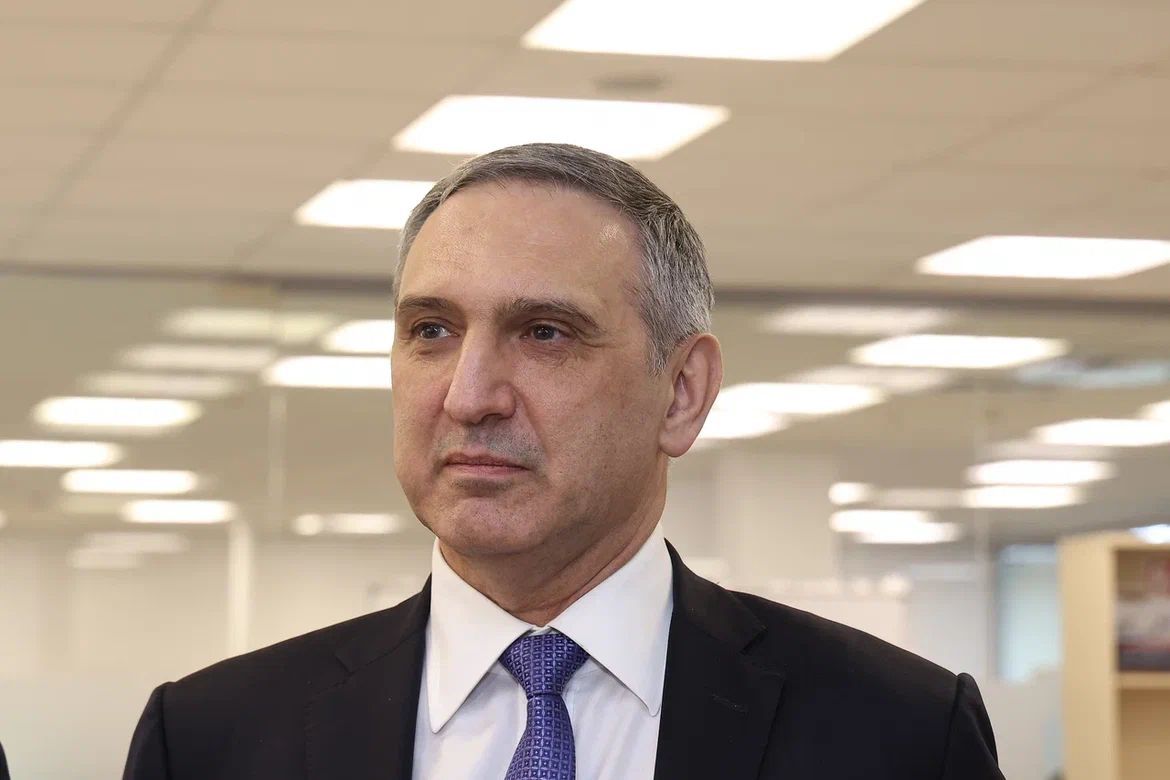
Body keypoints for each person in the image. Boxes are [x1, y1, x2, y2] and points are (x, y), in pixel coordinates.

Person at [123, 143, 1004, 779]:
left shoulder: (899, 735)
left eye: (544, 333)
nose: (469, 395)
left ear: (682, 392)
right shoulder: (210, 741)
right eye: (431, 330)